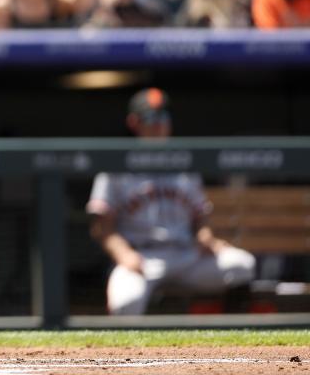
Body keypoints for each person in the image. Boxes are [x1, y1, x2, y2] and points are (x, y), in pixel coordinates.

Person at [86, 88, 256, 316]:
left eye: (163, 117)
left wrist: (206, 237)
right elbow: (102, 227)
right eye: (151, 118)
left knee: (242, 265)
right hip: (142, 258)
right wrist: (123, 254)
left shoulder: (184, 162)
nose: (159, 125)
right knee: (125, 303)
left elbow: (200, 218)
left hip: (187, 256)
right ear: (134, 122)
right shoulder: (116, 165)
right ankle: (131, 353)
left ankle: (235, 340)